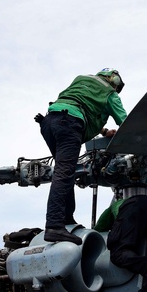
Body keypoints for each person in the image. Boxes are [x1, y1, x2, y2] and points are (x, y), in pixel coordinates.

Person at [39, 69, 127, 245]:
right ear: (115, 82)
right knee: (64, 173)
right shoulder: (110, 94)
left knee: (66, 173)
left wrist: (104, 132)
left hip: (49, 122)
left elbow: (79, 104)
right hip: (69, 124)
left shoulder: (81, 80)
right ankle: (54, 226)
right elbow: (125, 122)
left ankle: (66, 220)